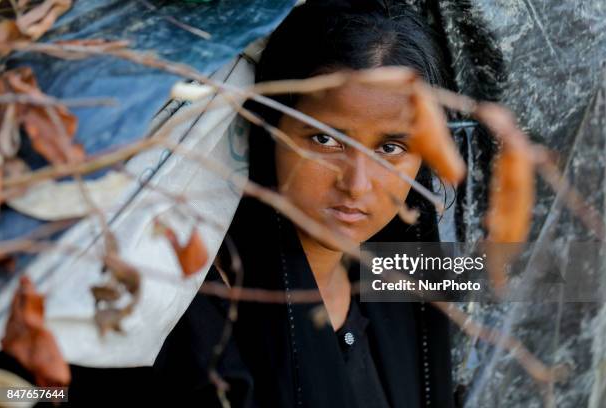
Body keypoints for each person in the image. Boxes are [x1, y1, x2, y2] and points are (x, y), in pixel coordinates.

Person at [153, 1, 456, 407]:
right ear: (269, 128)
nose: (356, 184)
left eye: (390, 147)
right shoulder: (188, 317)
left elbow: (552, 274)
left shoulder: (405, 274)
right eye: (324, 140)